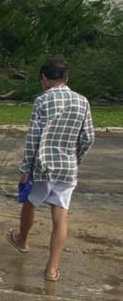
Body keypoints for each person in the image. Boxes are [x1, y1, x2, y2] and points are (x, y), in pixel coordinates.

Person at [6, 57, 94, 281]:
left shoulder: (42, 101)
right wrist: (77, 158)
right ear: (67, 78)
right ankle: (52, 269)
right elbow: (88, 137)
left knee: (30, 202)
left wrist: (26, 167)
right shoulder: (82, 101)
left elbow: (34, 137)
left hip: (43, 165)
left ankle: (22, 240)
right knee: (60, 215)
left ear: (44, 78)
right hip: (67, 167)